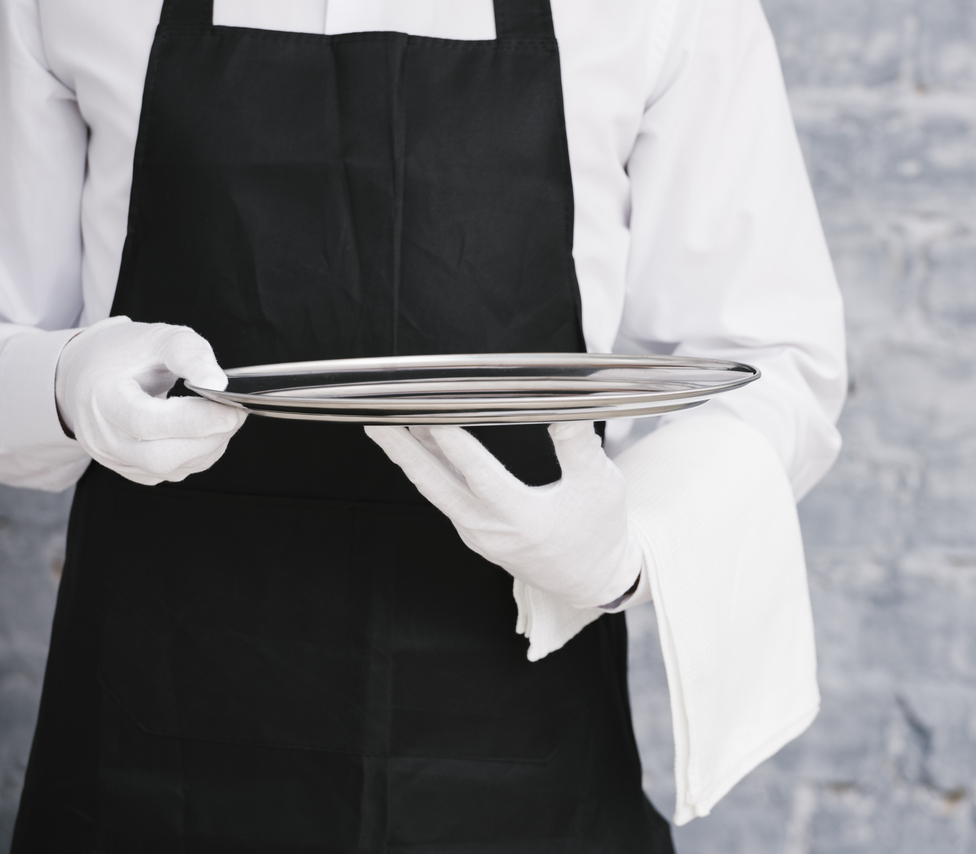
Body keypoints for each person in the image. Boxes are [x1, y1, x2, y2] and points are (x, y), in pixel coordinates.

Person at [0, 0, 846, 849]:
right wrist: (66, 384)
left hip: (515, 757)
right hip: (145, 762)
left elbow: (772, 358)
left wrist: (628, 548)